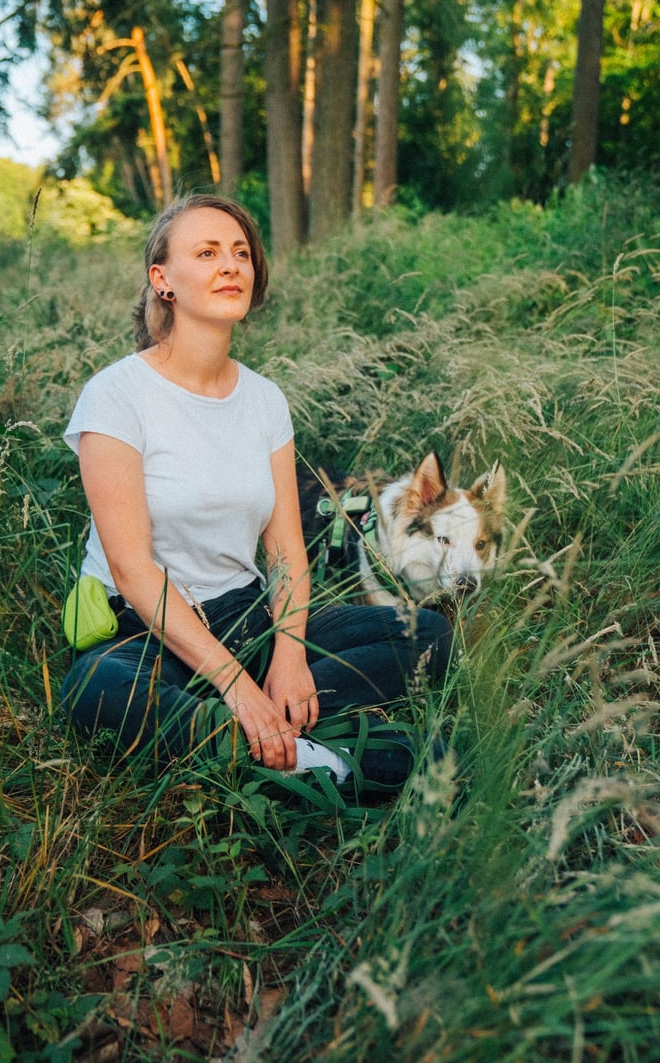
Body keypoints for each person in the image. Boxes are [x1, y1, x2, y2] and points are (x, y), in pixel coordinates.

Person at [60, 194, 453, 792]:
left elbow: (288, 552)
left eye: (241, 253)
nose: (231, 265)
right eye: (208, 252)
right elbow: (133, 570)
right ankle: (325, 760)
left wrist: (290, 657)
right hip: (148, 632)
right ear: (162, 280)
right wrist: (240, 686)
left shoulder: (265, 399)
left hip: (248, 620)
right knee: (94, 692)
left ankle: (263, 737)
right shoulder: (116, 396)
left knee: (426, 635)